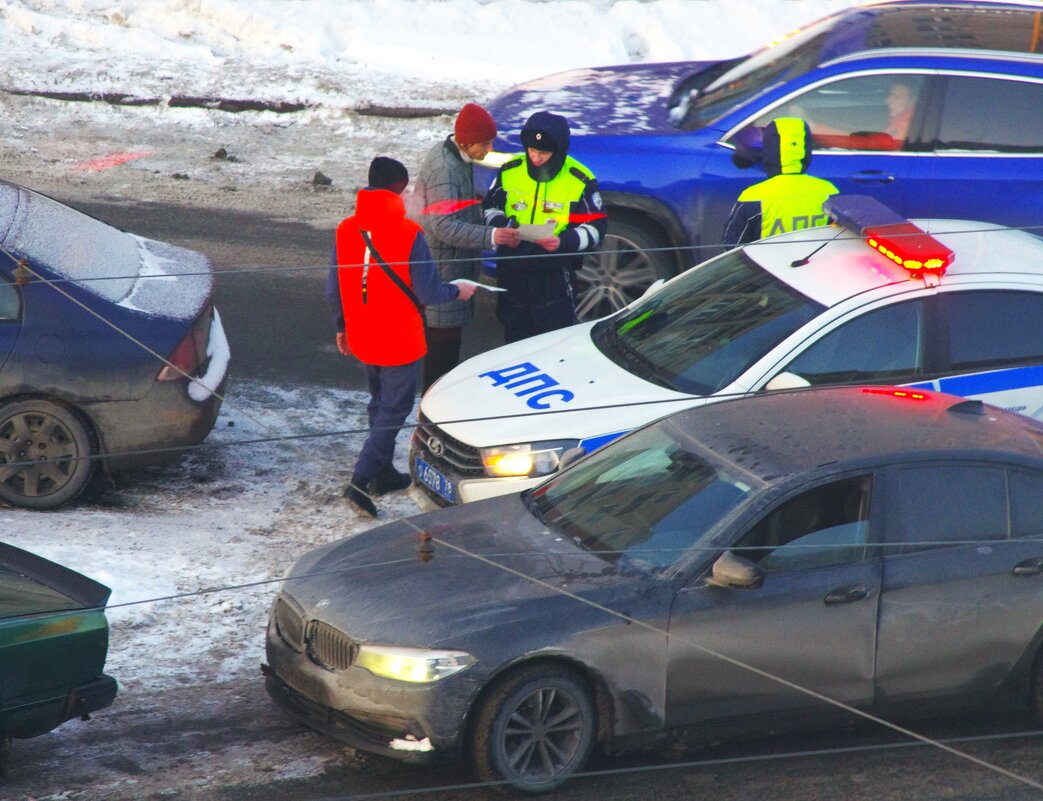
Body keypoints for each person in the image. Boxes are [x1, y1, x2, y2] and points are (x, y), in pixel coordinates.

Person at [325, 156, 477, 518]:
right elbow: (429, 293)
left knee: (379, 403)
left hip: (362, 335)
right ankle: (360, 480)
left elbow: (333, 288)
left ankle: (381, 473)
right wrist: (458, 291)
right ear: (397, 188)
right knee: (394, 410)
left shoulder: (346, 229)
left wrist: (342, 326)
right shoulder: (409, 234)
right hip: (398, 339)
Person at [412, 103, 520, 392]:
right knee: (441, 355)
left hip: (449, 267)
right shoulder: (446, 169)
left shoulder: (454, 156)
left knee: (444, 350)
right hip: (443, 271)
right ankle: (432, 414)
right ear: (465, 141)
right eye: (484, 144)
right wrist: (493, 236)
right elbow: (444, 226)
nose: (488, 149)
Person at [483, 110, 607, 344]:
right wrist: (503, 226)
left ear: (558, 150)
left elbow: (596, 227)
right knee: (513, 341)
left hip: (553, 276)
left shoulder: (579, 179)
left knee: (552, 343)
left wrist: (564, 242)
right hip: (512, 271)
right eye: (531, 150)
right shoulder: (510, 170)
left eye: (543, 153)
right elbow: (490, 208)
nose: (536, 158)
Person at [722, 117, 838, 247]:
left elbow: (732, 247)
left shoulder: (753, 196)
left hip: (766, 266)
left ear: (769, 150)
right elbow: (839, 242)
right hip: (814, 266)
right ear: (806, 149)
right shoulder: (829, 191)